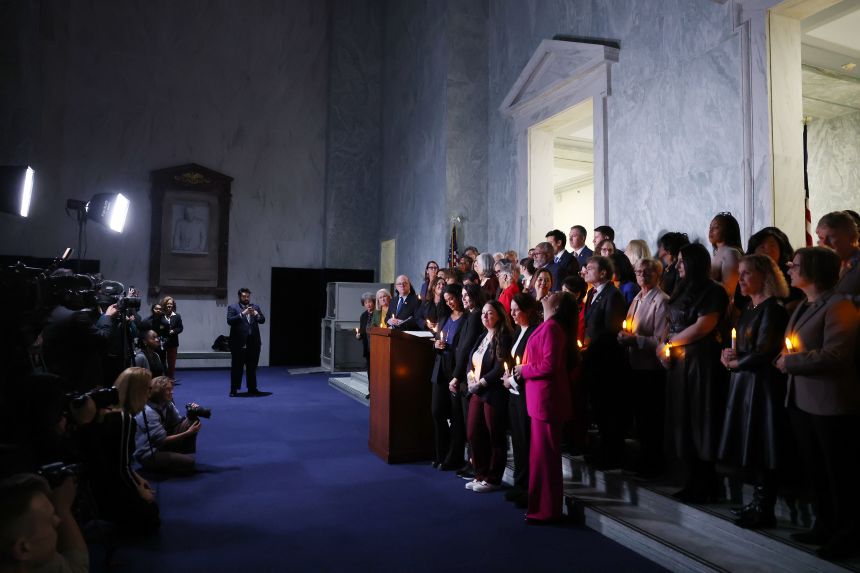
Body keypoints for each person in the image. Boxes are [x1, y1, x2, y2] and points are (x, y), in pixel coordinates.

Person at [776, 247, 860, 560]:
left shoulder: (839, 306)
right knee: (817, 471)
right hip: (801, 400)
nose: (789, 268)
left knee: (840, 474)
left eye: (795, 264)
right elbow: (791, 347)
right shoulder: (803, 305)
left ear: (813, 271)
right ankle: (824, 524)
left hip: (830, 404)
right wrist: (783, 360)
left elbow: (837, 355)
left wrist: (791, 364)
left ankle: (848, 534)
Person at [717, 254, 790, 529]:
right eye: (740, 273)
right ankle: (757, 502)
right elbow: (742, 345)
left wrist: (737, 361)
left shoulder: (773, 309)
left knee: (764, 442)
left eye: (747, 273)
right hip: (744, 383)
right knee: (752, 442)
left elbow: (765, 351)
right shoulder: (750, 307)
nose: (742, 279)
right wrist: (728, 356)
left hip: (763, 386)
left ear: (765, 277)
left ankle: (765, 505)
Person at [658, 243, 729, 503]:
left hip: (701, 362)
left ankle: (705, 481)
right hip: (679, 363)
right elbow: (668, 321)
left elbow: (703, 326)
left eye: (682, 261)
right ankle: (689, 478)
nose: (677, 266)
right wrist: (662, 346)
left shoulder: (714, 292)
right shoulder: (680, 289)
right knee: (682, 418)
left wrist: (670, 344)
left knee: (700, 418)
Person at [511, 291, 577, 523]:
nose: (549, 294)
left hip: (547, 401)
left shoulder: (552, 329)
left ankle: (548, 510)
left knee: (546, 459)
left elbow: (549, 365)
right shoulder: (548, 325)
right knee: (540, 458)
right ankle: (541, 507)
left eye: (555, 294)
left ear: (558, 307)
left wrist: (523, 370)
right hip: (540, 400)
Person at [82, 367, 160, 534]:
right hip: (109, 487)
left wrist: (137, 478)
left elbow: (116, 458)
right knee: (151, 516)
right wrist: (139, 490)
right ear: (137, 391)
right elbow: (120, 467)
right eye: (148, 389)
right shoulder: (124, 419)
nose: (150, 393)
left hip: (97, 485)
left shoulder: (108, 412)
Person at [617, 257, 669, 477]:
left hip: (651, 369)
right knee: (640, 418)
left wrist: (634, 340)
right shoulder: (638, 297)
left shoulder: (661, 300)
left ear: (658, 275)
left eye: (647, 272)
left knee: (651, 419)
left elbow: (660, 340)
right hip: (635, 365)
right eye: (638, 272)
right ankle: (643, 460)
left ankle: (653, 463)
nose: (642, 275)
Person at [461, 300, 512, 493]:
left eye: (489, 313)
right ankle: (480, 474)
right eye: (483, 313)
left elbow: (500, 367)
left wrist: (480, 383)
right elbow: (470, 360)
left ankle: (493, 478)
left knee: (495, 436)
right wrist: (470, 376)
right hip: (477, 391)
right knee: (474, 433)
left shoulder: (504, 337)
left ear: (499, 315)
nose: (485, 316)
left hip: (493, 392)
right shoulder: (482, 335)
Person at [581, 256, 627, 469]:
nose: (586, 271)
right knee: (598, 409)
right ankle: (604, 451)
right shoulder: (592, 293)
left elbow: (610, 329)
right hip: (593, 358)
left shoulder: (613, 295)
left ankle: (613, 454)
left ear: (603, 273)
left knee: (609, 410)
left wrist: (589, 348)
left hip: (606, 360)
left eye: (590, 268)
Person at [0, 473, 88, 573]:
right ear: (22, 549)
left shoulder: (28, 560)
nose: (58, 521)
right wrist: (63, 509)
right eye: (50, 521)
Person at [502, 293, 538, 508]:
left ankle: (528, 488)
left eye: (517, 310)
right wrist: (507, 377)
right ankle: (519, 483)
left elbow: (529, 365)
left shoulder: (533, 332)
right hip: (513, 393)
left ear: (528, 311)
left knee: (526, 441)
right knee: (517, 442)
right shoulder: (518, 331)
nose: (512, 313)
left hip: (524, 394)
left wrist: (513, 381)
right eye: (512, 309)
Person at [448, 283, 486, 476]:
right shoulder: (472, 315)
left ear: (475, 296)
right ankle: (472, 462)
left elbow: (465, 348)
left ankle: (475, 464)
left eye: (467, 295)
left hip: (467, 375)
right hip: (466, 374)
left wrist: (455, 376)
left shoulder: (475, 316)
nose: (463, 298)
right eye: (462, 295)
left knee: (472, 426)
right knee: (468, 424)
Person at [430, 284, 466, 470]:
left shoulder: (467, 318)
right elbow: (436, 339)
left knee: (456, 416)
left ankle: (453, 457)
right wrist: (436, 344)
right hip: (440, 369)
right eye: (446, 300)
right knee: (436, 412)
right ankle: (440, 453)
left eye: (452, 298)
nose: (450, 303)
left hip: (455, 370)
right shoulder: (444, 317)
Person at [134, 376, 201, 475]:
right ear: (158, 392)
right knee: (189, 464)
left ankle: (176, 454)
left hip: (160, 443)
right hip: (149, 452)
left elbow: (178, 421)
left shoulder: (167, 403)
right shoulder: (148, 411)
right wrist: (187, 433)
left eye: (172, 389)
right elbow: (162, 440)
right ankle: (155, 466)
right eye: (168, 390)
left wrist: (191, 413)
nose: (172, 392)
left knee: (193, 421)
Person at [226, 288, 267, 397]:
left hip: (253, 343)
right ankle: (234, 389)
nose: (246, 298)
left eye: (248, 296)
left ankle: (252, 388)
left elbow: (262, 320)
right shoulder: (233, 307)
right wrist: (242, 314)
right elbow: (229, 321)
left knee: (252, 367)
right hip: (238, 344)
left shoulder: (255, 307)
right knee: (236, 368)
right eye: (244, 296)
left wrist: (257, 314)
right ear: (239, 297)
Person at [816, 211, 860, 303]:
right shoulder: (826, 265)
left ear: (852, 237)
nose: (825, 243)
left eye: (832, 237)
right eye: (821, 238)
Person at [709, 212, 743, 298]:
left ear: (728, 230)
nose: (711, 230)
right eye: (710, 227)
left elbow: (730, 289)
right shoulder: (718, 253)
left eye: (716, 227)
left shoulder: (731, 253)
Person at [657, 231, 690, 296]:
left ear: (668, 250)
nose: (659, 248)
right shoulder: (666, 267)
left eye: (661, 245)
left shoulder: (678, 270)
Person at [159, 296, 183, 378]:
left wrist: (174, 331)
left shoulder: (177, 316)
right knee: (162, 361)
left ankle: (170, 379)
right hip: (162, 342)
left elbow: (180, 328)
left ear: (173, 305)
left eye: (171, 304)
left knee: (171, 363)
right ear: (164, 305)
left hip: (173, 342)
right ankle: (163, 378)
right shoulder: (160, 315)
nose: (169, 305)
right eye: (167, 304)